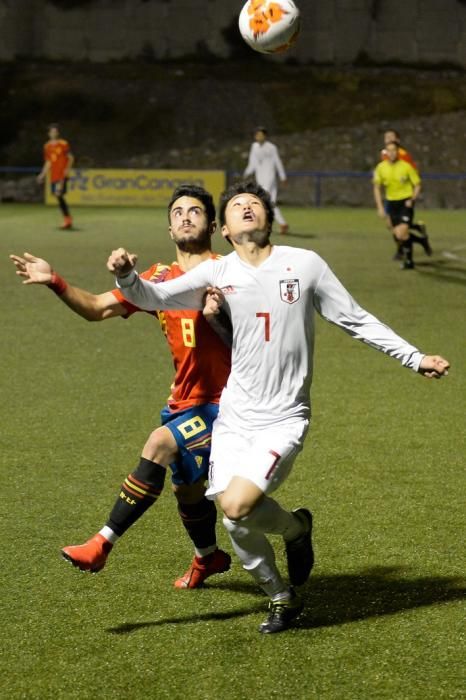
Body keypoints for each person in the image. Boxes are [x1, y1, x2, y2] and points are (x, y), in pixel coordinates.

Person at [108, 180, 450, 634]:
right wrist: (125, 275)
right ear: (224, 230)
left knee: (237, 503)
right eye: (237, 206)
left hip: (284, 418)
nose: (247, 208)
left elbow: (355, 318)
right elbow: (153, 297)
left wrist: (415, 357)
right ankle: (282, 595)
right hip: (234, 418)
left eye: (255, 204)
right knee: (235, 519)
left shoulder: (304, 264)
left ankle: (293, 531)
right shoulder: (218, 273)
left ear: (268, 218)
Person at [10, 184, 233, 589]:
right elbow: (97, 308)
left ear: (213, 225)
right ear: (168, 229)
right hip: (184, 402)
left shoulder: (230, 272)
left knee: (159, 445)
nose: (185, 216)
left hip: (229, 403)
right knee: (188, 492)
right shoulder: (157, 279)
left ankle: (101, 544)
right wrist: (55, 280)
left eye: (195, 211)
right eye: (178, 211)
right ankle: (208, 557)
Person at [373, 141, 432, 270]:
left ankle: (409, 261)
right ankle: (421, 240)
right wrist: (380, 206)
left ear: (398, 152)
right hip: (391, 203)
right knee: (398, 235)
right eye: (389, 150)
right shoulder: (381, 167)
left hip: (405, 202)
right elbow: (377, 187)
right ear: (386, 152)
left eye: (394, 150)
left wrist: (412, 199)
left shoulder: (406, 166)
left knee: (402, 232)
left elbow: (417, 184)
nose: (391, 153)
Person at [380, 129, 428, 253]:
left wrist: (412, 195)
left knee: (401, 229)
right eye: (386, 137)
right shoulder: (384, 154)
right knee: (391, 225)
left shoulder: (403, 155)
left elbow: (411, 173)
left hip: (404, 196)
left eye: (391, 137)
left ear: (397, 140)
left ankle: (403, 251)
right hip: (391, 196)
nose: (388, 139)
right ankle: (416, 230)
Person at [244, 126, 289, 235]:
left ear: (265, 136)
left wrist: (282, 177)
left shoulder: (271, 148)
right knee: (269, 203)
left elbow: (277, 162)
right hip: (260, 179)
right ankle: (282, 224)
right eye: (256, 134)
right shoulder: (254, 147)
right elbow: (252, 163)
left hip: (270, 180)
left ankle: (261, 226)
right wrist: (246, 173)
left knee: (262, 202)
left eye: (260, 134)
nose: (258, 136)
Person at [37, 123, 74, 230]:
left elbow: (71, 158)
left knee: (59, 194)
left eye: (55, 131)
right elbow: (48, 162)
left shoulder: (63, 143)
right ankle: (67, 219)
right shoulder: (47, 146)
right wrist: (42, 174)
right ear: (49, 133)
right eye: (52, 131)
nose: (53, 133)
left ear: (58, 133)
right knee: (58, 196)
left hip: (62, 175)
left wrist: (67, 169)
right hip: (54, 176)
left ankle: (68, 220)